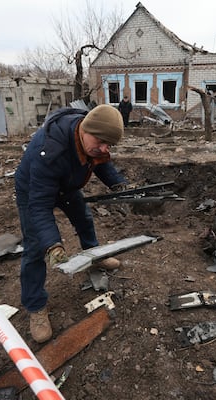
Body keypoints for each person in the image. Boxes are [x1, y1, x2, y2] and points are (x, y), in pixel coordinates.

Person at [14, 104, 129, 343]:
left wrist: (116, 183)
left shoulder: (91, 137)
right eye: (102, 141)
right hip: (34, 190)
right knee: (35, 246)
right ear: (85, 130)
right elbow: (40, 206)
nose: (105, 148)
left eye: (110, 144)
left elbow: (100, 159)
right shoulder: (50, 151)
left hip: (66, 184)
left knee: (84, 219)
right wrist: (54, 244)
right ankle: (36, 307)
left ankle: (94, 257)